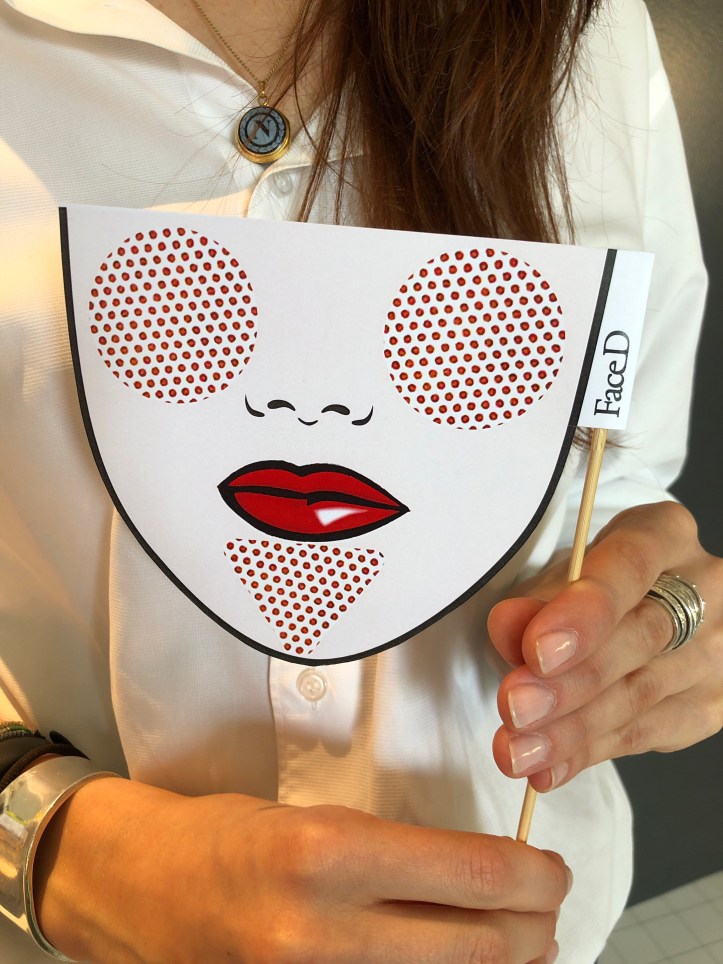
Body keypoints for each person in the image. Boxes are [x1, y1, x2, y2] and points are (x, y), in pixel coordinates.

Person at [0, 0, 719, 961]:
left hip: (528, 919)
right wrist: (51, 842)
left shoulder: (584, 28)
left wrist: (655, 611)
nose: (318, 412)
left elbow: (614, 473)